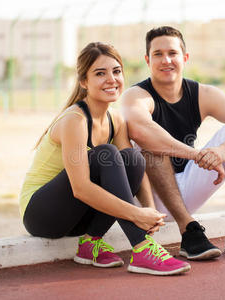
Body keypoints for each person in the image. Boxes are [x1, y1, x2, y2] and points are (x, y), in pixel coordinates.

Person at [19, 42, 190, 276]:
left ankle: (90, 243)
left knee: (132, 158)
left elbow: (132, 172)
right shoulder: (75, 120)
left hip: (78, 217)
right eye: (100, 73)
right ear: (83, 82)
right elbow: (80, 188)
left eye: (116, 71)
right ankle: (141, 249)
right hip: (42, 214)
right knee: (106, 154)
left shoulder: (116, 120)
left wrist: (149, 210)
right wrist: (136, 214)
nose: (111, 79)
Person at [121, 26, 225, 261]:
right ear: (148, 60)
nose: (166, 60)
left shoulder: (201, 93)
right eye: (158, 54)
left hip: (186, 187)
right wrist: (196, 155)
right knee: (151, 144)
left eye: (172, 53)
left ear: (185, 58)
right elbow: (140, 130)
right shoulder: (137, 95)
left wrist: (224, 150)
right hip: (150, 197)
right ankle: (188, 230)